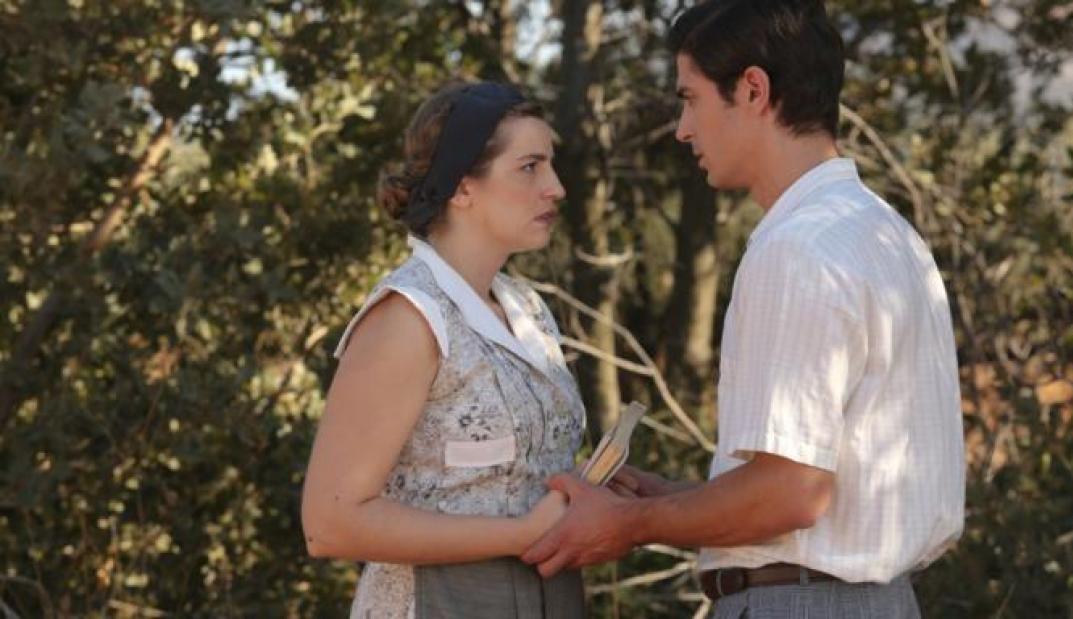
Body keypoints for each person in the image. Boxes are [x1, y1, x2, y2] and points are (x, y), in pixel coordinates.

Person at [521, 1, 966, 617]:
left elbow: (792, 494)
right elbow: (820, 491)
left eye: (691, 99)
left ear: (754, 90)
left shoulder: (799, 248)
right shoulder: (886, 233)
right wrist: (672, 500)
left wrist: (630, 524)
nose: (683, 129)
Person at [301, 81, 587, 618]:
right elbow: (330, 523)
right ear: (462, 187)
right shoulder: (408, 318)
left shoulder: (527, 309)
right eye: (529, 167)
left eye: (550, 165)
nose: (556, 188)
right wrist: (520, 534)